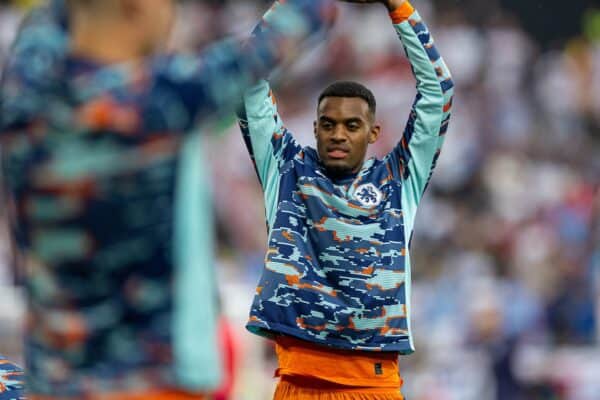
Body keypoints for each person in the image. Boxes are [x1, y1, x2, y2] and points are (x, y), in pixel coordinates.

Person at [0, 0, 337, 398]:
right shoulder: (161, 102)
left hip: (56, 384)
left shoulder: (24, 106)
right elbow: (296, 24)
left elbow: (45, 27)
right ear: (136, 6)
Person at [238, 0, 454, 398]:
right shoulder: (286, 170)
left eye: (352, 125)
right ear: (315, 129)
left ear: (373, 133)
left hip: (372, 386)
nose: (339, 134)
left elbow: (438, 92)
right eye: (329, 125)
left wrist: (399, 7)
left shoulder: (397, 178)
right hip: (297, 384)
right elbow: (245, 76)